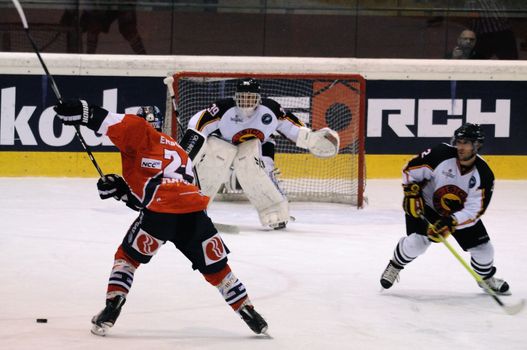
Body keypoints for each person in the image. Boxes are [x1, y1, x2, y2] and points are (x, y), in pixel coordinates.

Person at [53, 101, 268, 336]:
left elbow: (112, 122)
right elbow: (169, 188)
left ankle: (112, 307)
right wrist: (124, 192)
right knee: (218, 270)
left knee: (127, 258)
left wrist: (85, 113)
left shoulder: (138, 130)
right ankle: (249, 312)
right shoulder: (177, 150)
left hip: (159, 214)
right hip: (194, 213)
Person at [179, 77, 340, 230]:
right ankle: (193, 210)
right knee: (214, 161)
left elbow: (292, 128)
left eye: (251, 97)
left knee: (255, 167)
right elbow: (198, 123)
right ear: (235, 97)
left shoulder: (271, 109)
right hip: (224, 144)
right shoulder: (223, 108)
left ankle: (275, 211)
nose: (247, 101)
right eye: (243, 97)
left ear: (259, 98)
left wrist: (309, 138)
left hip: (259, 145)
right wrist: (188, 151)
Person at [379, 123, 510, 295]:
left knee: (485, 250)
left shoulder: (484, 174)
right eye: (459, 142)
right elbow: (410, 170)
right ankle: (395, 265)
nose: (460, 147)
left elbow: (473, 211)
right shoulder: (440, 154)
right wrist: (411, 193)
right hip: (426, 206)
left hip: (456, 214)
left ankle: (485, 279)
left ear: (477, 145)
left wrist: (451, 222)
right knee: (417, 243)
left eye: (466, 143)